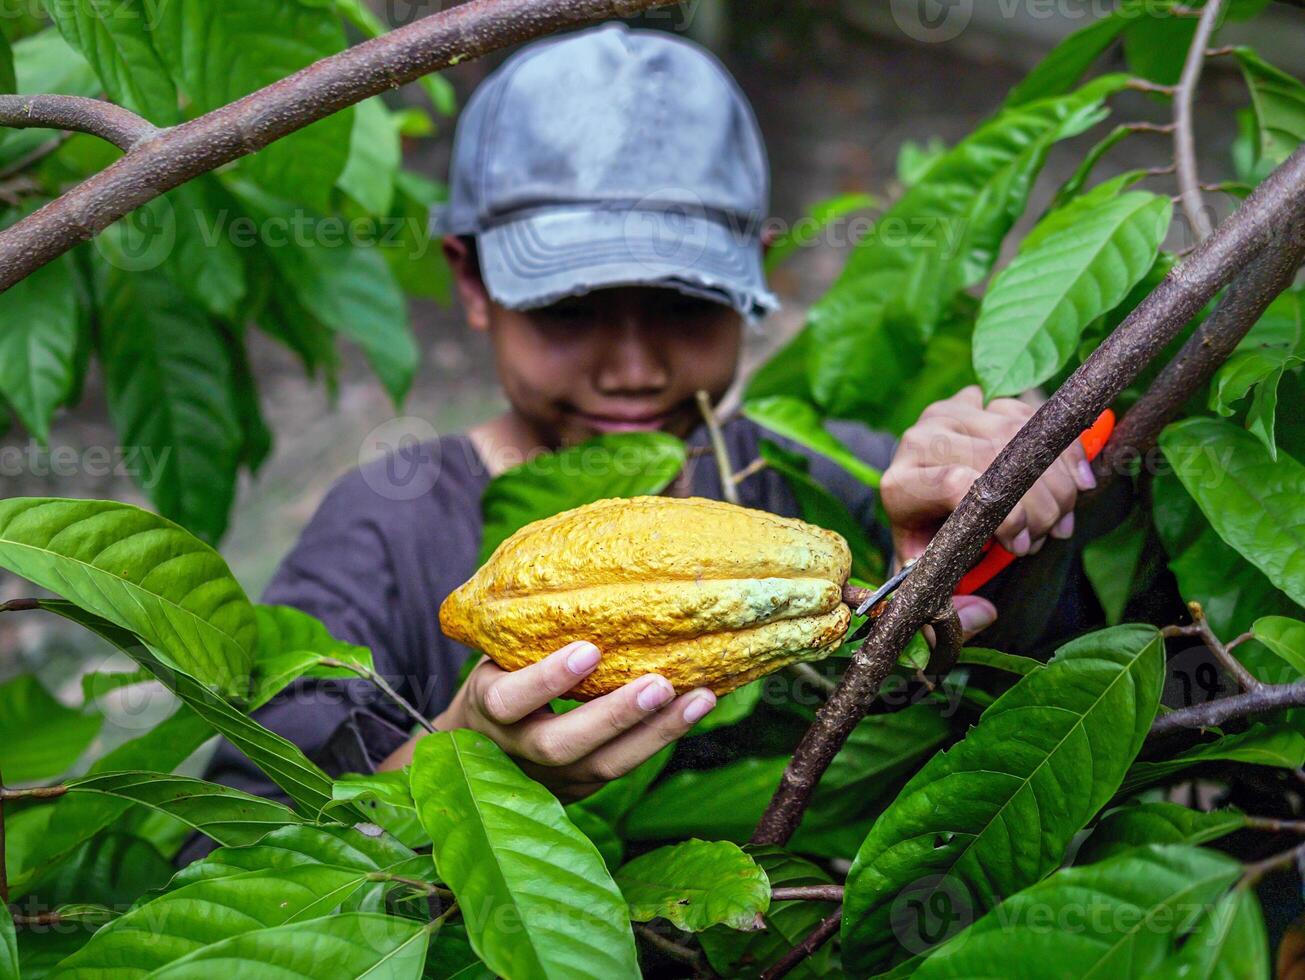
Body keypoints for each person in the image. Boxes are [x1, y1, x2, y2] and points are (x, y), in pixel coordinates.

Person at [204, 23, 1096, 804]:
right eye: (570, 309)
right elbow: (233, 857)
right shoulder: (384, 529)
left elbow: (1038, 711)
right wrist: (455, 759)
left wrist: (989, 537)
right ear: (471, 279)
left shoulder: (839, 484)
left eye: (682, 304)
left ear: (757, 270)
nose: (631, 369)